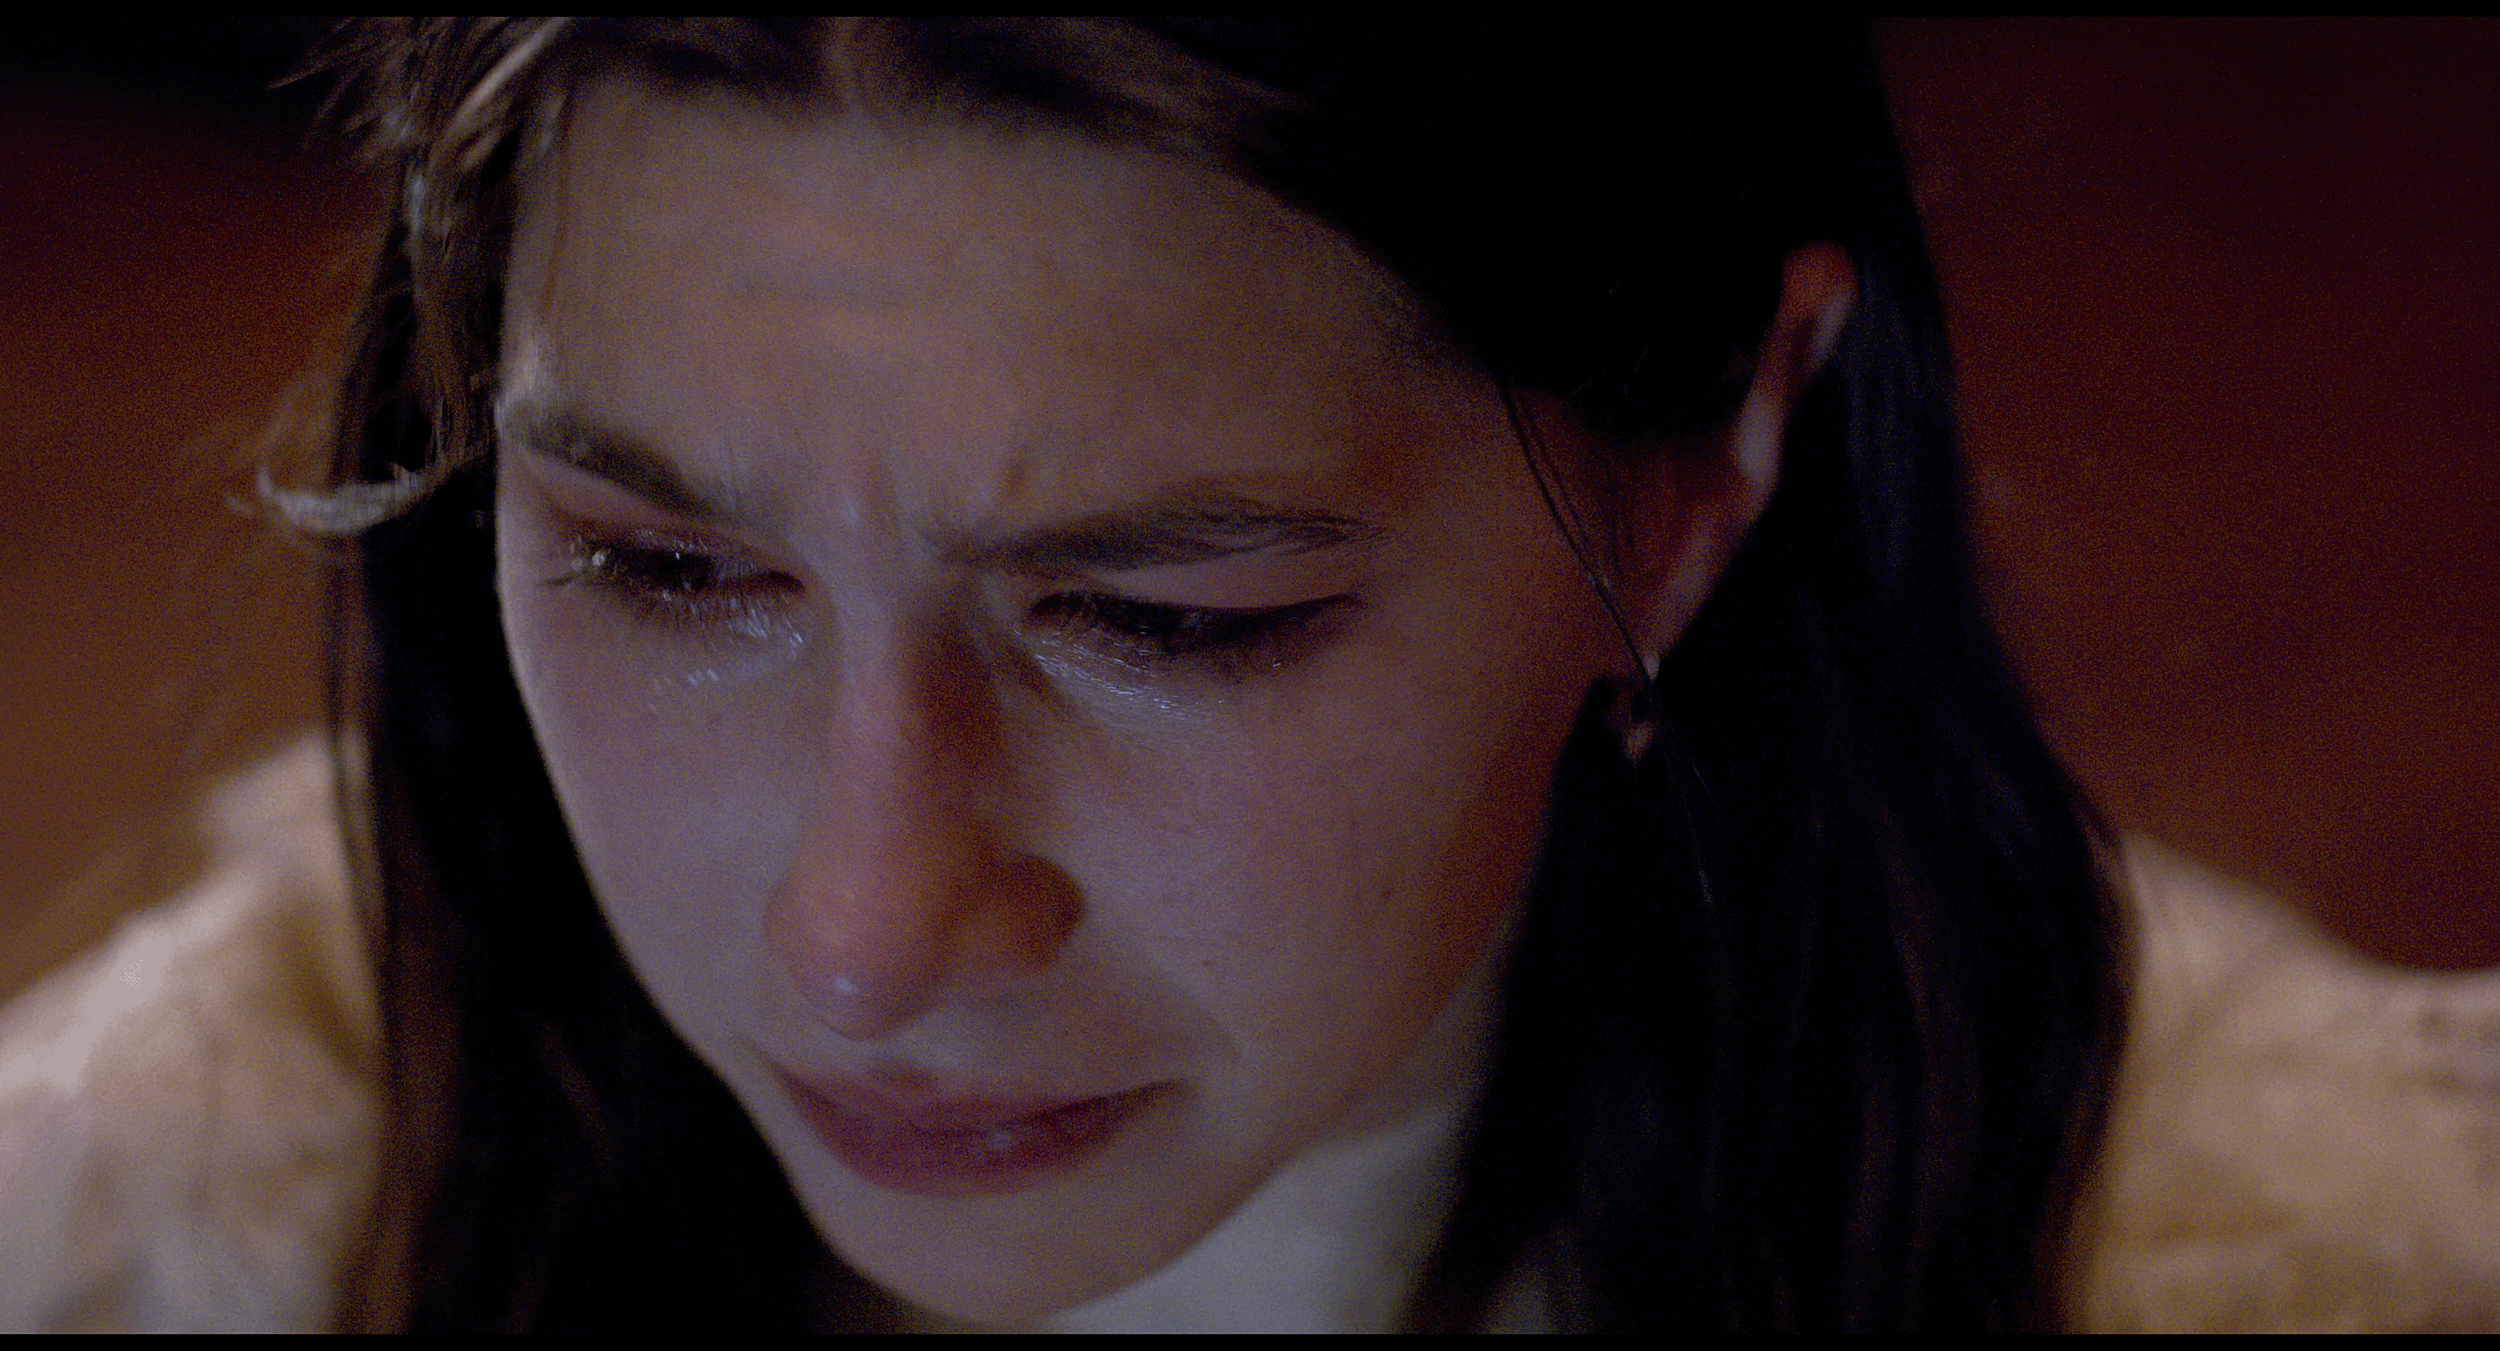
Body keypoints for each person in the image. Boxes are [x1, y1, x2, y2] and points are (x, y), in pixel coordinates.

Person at [18, 17, 2140, 1331]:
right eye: (666, 569)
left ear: (1698, 483)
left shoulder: (2260, 1259)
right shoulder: (136, 1238)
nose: (861, 939)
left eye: (1162, 621)